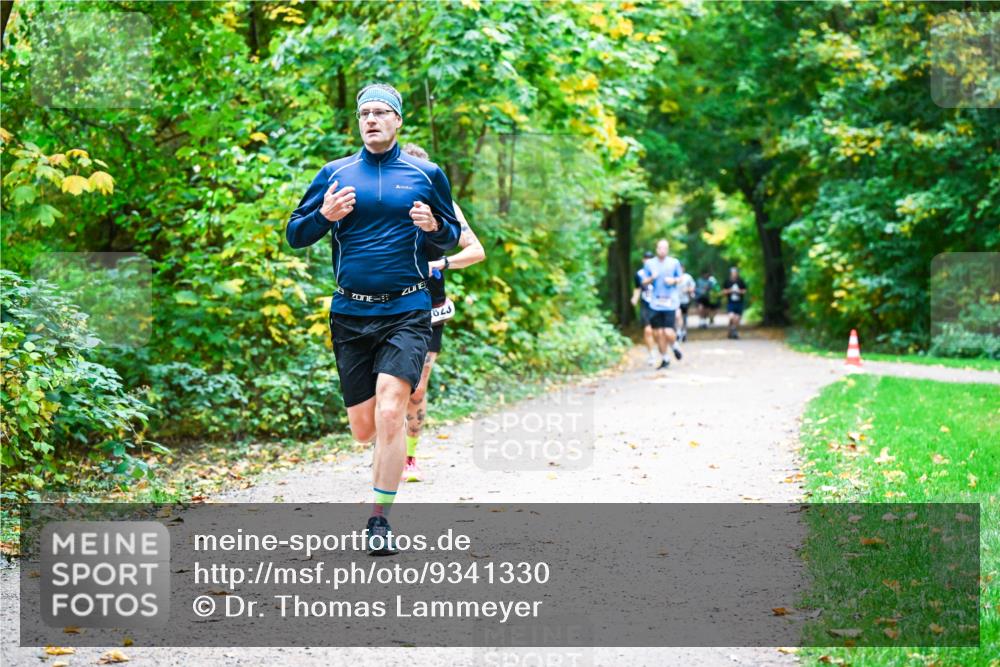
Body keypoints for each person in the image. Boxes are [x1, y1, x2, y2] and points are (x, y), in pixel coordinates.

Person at [285, 83, 460, 555]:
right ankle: (385, 459)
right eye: (365, 113)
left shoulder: (426, 174)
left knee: (390, 410)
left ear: (398, 120)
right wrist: (324, 215)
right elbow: (295, 234)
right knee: (364, 428)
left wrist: (434, 226)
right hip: (350, 312)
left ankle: (379, 519)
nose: (372, 119)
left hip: (407, 309)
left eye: (382, 112)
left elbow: (451, 235)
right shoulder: (335, 173)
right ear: (358, 122)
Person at [400, 143, 486, 483]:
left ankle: (409, 459)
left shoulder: (446, 207)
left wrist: (442, 263)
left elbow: (476, 251)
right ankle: (387, 449)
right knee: (386, 385)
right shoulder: (382, 203)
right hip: (386, 305)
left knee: (417, 390)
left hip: (430, 309)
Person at [638, 239, 683, 369]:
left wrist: (673, 280)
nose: (662, 250)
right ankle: (665, 358)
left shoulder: (674, 262)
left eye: (665, 248)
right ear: (656, 249)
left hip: (670, 302)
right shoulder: (650, 264)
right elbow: (643, 282)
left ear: (668, 249)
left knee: (668, 331)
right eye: (660, 248)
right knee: (658, 333)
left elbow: (680, 278)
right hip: (655, 303)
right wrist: (652, 278)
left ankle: (674, 345)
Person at [630, 250, 656, 366]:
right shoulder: (639, 274)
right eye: (646, 259)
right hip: (646, 304)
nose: (648, 261)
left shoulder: (659, 272)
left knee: (658, 332)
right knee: (647, 330)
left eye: (650, 259)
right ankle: (651, 354)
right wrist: (635, 298)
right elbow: (637, 288)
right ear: (643, 260)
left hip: (659, 305)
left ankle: (663, 351)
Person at [722, 266, 748, 339]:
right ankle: (733, 330)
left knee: (737, 318)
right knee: (732, 317)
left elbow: (744, 291)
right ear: (731, 273)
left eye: (735, 272)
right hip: (731, 302)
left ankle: (733, 330)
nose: (734, 274)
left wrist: (738, 291)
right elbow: (723, 291)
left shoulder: (740, 281)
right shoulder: (727, 281)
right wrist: (730, 290)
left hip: (739, 302)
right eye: (733, 273)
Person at [677, 266, 696, 342]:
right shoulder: (673, 276)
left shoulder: (688, 277)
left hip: (685, 300)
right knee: (677, 316)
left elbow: (692, 287)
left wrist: (687, 289)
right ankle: (678, 332)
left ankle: (684, 332)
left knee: (684, 317)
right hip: (675, 301)